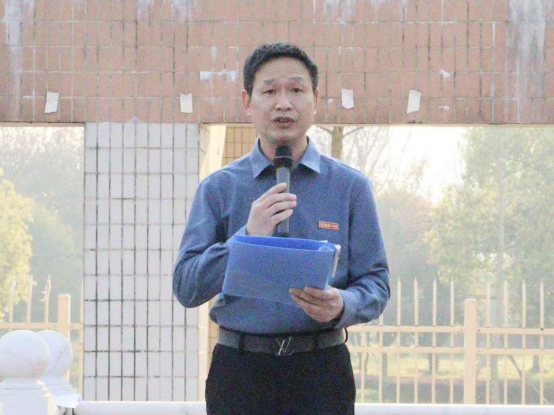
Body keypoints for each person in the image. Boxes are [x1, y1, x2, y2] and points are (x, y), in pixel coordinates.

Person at [173, 42, 390, 414]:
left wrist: (343, 304)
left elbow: (377, 283)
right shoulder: (219, 188)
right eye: (270, 91)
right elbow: (187, 286)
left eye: (296, 90)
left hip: (321, 371)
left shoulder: (350, 187)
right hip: (240, 372)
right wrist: (246, 237)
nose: (284, 104)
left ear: (315, 99)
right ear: (247, 101)